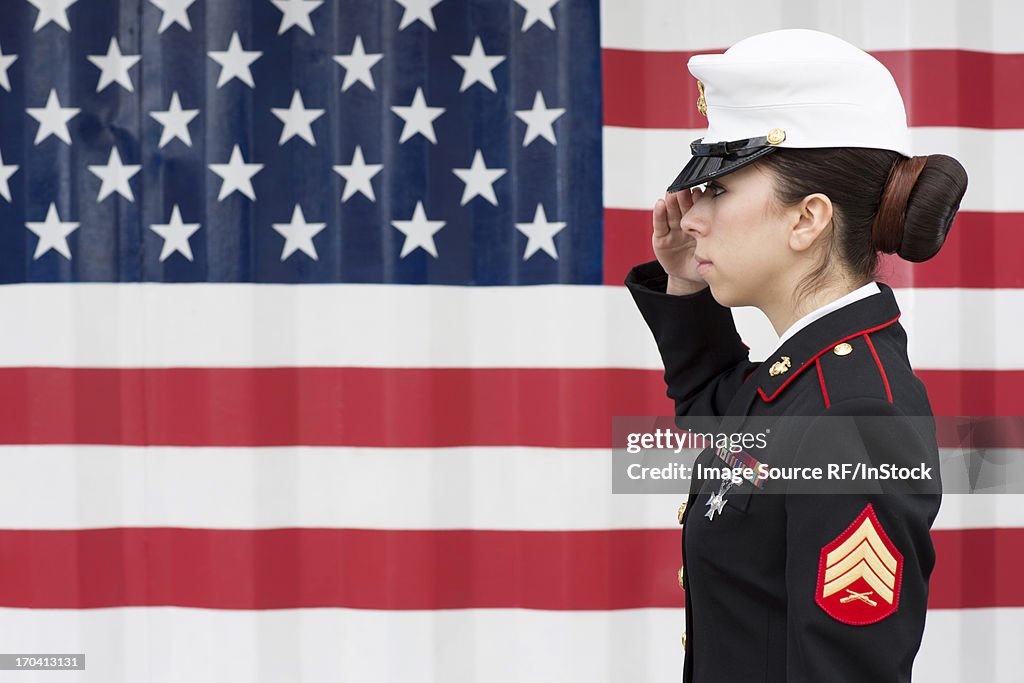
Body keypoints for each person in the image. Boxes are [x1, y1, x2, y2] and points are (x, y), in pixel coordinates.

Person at [624, 29, 968, 682]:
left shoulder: (852, 415)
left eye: (718, 190)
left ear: (807, 219)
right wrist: (687, 287)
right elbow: (721, 417)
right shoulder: (804, 381)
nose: (690, 217)